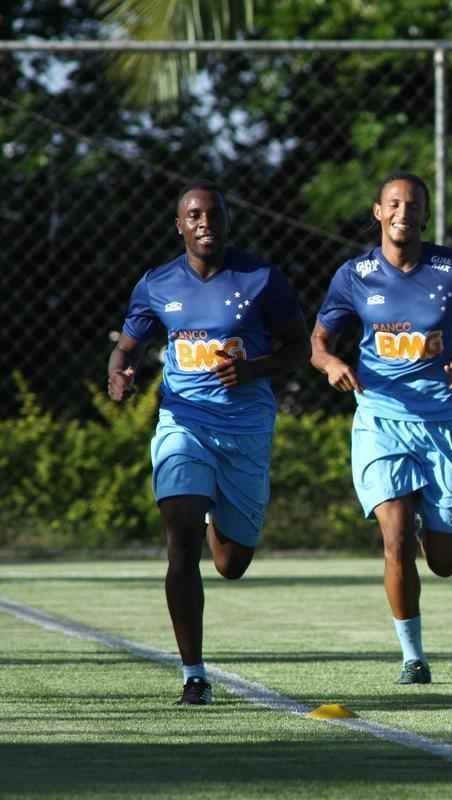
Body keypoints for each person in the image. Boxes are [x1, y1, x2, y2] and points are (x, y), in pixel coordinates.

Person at [107, 181, 309, 705]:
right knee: (180, 541)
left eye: (213, 214)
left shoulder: (262, 279)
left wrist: (253, 369)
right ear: (179, 225)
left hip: (244, 430)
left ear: (225, 221)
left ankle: (222, 518)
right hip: (183, 423)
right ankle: (194, 674)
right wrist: (121, 374)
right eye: (193, 215)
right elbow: (126, 347)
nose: (204, 223)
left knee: (231, 564)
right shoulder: (157, 284)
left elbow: (298, 350)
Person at [310, 172, 452, 685]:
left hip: (442, 423)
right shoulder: (355, 275)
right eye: (393, 204)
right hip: (380, 421)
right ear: (377, 212)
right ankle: (412, 657)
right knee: (394, 537)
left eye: (413, 205)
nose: (402, 213)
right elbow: (319, 341)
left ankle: (423, 517)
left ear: (426, 215)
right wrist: (330, 364)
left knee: (444, 561)